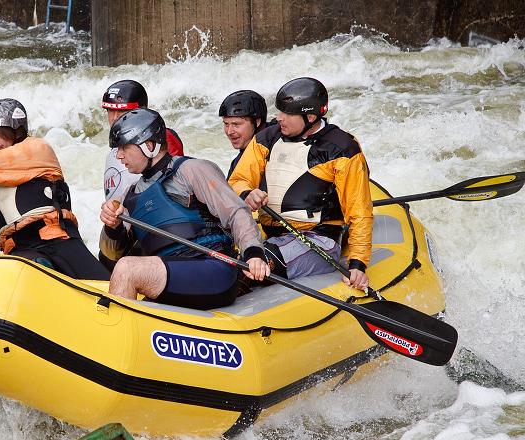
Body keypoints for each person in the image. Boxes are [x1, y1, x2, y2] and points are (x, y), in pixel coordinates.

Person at [99, 108, 270, 310]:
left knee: (127, 269)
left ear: (149, 146)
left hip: (212, 269)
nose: (118, 156)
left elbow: (236, 212)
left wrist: (253, 252)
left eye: (123, 148)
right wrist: (113, 226)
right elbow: (112, 255)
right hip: (171, 275)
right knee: (123, 268)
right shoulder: (129, 195)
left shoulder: (192, 170)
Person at [228, 77, 373, 289]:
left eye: (287, 114)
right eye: (279, 112)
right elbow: (237, 180)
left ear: (311, 116)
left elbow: (359, 211)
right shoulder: (266, 139)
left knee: (248, 268)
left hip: (318, 240)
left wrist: (358, 264)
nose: (279, 118)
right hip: (272, 234)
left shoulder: (341, 150)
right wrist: (247, 192)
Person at [0, 98, 110, 281]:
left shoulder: (37, 148)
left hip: (59, 241)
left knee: (109, 290)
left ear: (17, 131)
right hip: (21, 251)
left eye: (0, 133)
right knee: (35, 271)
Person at [101, 79, 184, 202]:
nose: (114, 118)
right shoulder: (117, 144)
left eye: (122, 111)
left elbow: (175, 184)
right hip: (123, 215)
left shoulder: (163, 137)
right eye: (110, 111)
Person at [219, 90, 268, 179]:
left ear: (257, 122)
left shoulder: (274, 148)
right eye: (226, 124)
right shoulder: (238, 162)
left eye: (236, 124)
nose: (229, 132)